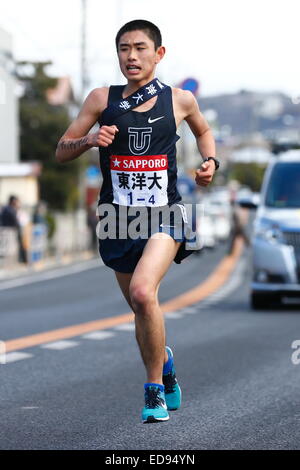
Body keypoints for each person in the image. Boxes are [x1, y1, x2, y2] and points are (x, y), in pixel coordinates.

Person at [56, 19, 218, 423]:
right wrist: (89, 140)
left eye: (141, 48)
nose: (132, 56)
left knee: (145, 294)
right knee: (140, 308)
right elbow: (61, 150)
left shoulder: (179, 100)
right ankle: (164, 362)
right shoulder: (100, 100)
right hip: (117, 218)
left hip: (166, 213)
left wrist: (210, 162)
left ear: (158, 54)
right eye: (125, 49)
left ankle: (153, 392)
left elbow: (204, 131)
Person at [1, 195, 27, 263]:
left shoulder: (9, 209)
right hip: (8, 232)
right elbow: (15, 221)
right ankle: (21, 260)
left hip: (9, 232)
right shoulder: (9, 209)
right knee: (7, 249)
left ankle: (22, 259)